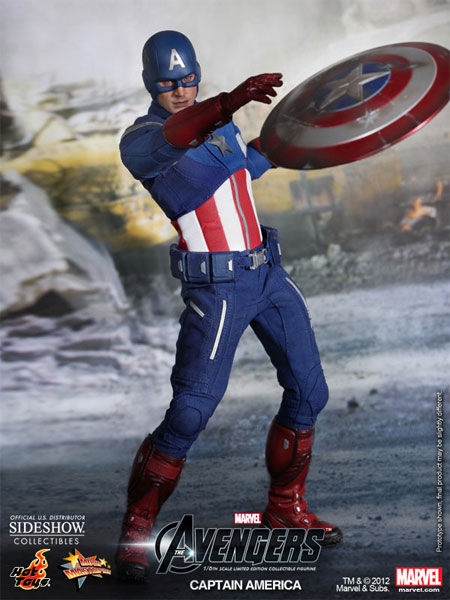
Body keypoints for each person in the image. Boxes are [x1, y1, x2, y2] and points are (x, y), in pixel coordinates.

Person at [116, 30, 342, 582]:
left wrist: (294, 137)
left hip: (266, 274)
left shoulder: (220, 123)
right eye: (168, 82)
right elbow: (180, 137)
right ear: (149, 83)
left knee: (310, 391)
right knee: (191, 410)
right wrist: (230, 100)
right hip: (216, 289)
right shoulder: (142, 140)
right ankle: (137, 530)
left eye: (188, 79)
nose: (180, 89)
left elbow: (244, 167)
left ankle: (284, 508)